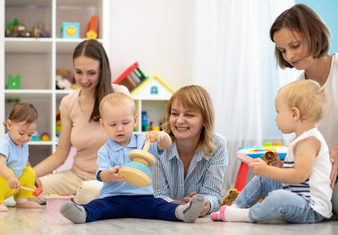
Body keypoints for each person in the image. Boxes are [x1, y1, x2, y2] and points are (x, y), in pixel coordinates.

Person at [59, 92, 204, 224]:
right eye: (113, 124)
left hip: (143, 198)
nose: (120, 128)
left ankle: (183, 212)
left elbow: (166, 145)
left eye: (125, 123)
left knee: (160, 206)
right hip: (113, 199)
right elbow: (101, 175)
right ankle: (82, 213)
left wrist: (161, 136)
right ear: (103, 125)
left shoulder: (143, 142)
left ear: (134, 121)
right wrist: (110, 175)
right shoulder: (105, 150)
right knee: (98, 206)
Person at [211, 80, 332, 223]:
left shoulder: (309, 142)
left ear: (294, 114)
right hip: (295, 196)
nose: (276, 117)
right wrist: (279, 167)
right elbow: (298, 173)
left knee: (277, 197)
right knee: (264, 178)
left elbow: (299, 175)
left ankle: (243, 215)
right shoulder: (300, 140)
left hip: (311, 208)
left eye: (278, 112)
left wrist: (266, 170)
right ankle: (235, 207)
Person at [32, 39, 129, 204]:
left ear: (102, 70)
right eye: (78, 72)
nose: (84, 79)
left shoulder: (119, 94)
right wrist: (29, 175)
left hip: (110, 179)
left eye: (91, 73)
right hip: (77, 177)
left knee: (89, 193)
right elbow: (59, 156)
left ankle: (81, 200)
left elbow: (128, 140)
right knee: (25, 192)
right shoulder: (68, 102)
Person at [269, 4, 338, 191]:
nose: (289, 56)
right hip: (323, 175)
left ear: (314, 35)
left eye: (295, 45)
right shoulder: (295, 93)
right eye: (283, 50)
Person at [152, 85, 228, 217]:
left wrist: (205, 204)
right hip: (165, 220)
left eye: (189, 115)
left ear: (204, 119)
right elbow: (157, 195)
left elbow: (212, 194)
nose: (180, 120)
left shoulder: (218, 146)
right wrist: (180, 206)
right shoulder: (157, 145)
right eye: (175, 114)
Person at [0, 103, 41, 212]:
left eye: (30, 135)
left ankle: (22, 201)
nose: (25, 138)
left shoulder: (23, 144)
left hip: (9, 186)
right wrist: (10, 177)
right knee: (6, 171)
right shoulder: (3, 144)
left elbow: (24, 161)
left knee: (29, 171)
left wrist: (34, 177)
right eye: (21, 133)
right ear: (9, 125)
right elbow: (0, 165)